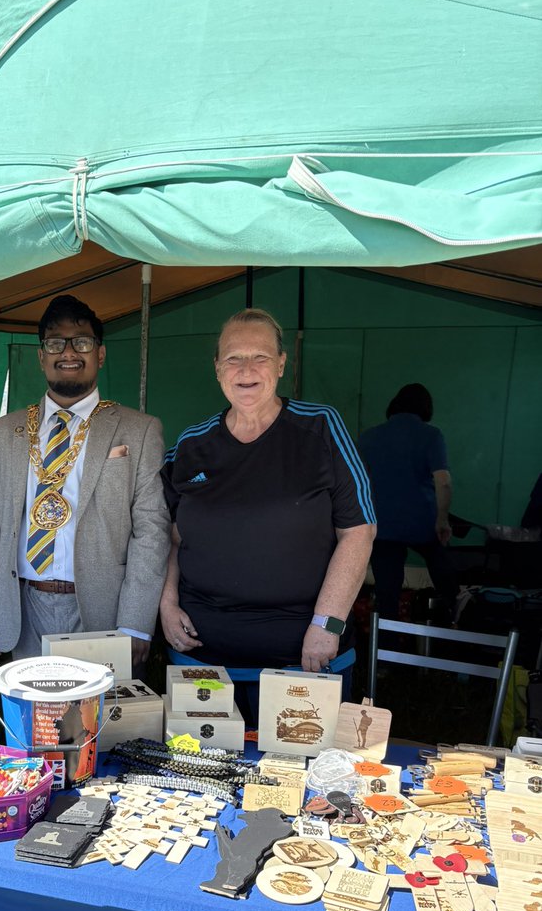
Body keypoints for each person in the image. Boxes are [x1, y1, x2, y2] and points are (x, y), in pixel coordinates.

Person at [159, 308, 376, 719]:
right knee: (200, 771)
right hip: (201, 658)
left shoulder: (322, 429)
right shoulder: (191, 444)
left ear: (280, 364)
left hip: (304, 658)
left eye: (259, 356)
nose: (246, 369)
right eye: (233, 358)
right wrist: (166, 606)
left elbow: (359, 531)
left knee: (300, 774)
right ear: (217, 368)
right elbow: (170, 536)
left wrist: (327, 625)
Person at [0, 294, 170, 670]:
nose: (69, 352)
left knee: (105, 727)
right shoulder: (3, 431)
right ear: (42, 356)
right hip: (24, 609)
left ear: (100, 355)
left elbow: (151, 528)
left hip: (104, 611)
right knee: (33, 725)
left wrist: (137, 622)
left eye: (83, 342)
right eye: (56, 343)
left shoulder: (138, 429)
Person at [358, 383, 458, 622]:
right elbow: (443, 481)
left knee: (387, 593)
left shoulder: (368, 436)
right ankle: (456, 616)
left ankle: (385, 649)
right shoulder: (431, 435)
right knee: (440, 564)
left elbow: (356, 482)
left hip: (381, 523)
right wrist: (442, 519)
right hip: (422, 522)